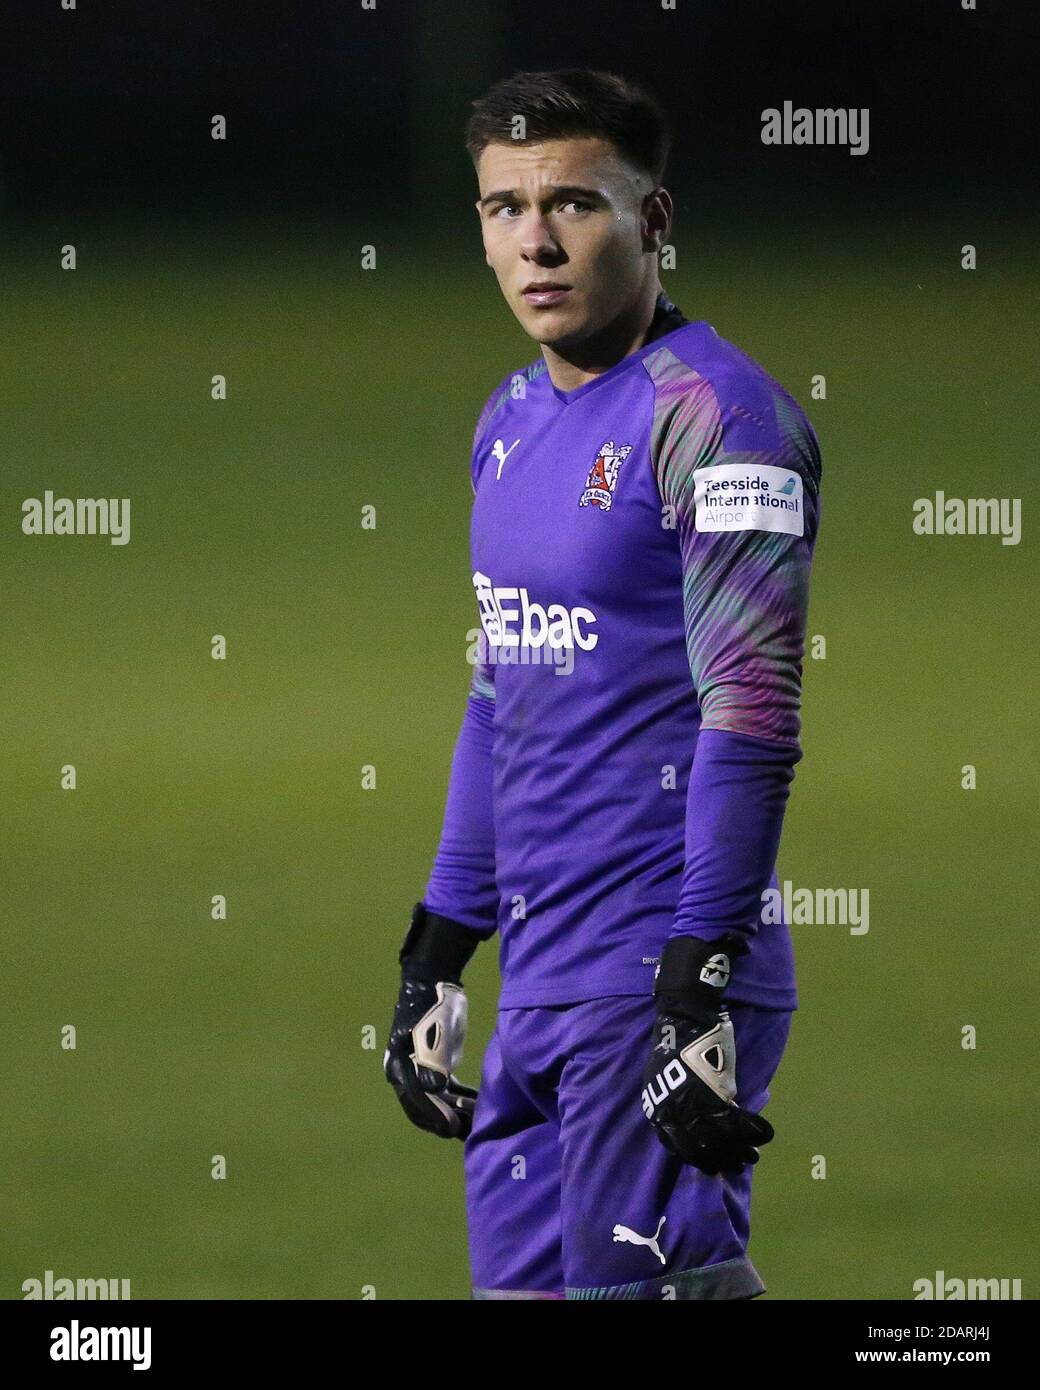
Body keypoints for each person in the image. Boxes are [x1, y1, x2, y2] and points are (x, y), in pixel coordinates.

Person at [384, 67, 823, 1301]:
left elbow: (751, 710)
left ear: (654, 219)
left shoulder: (717, 418)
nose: (533, 239)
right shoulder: (508, 418)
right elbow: (497, 692)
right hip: (538, 973)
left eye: (572, 202)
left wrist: (699, 979)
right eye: (500, 206)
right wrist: (436, 946)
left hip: (651, 967)